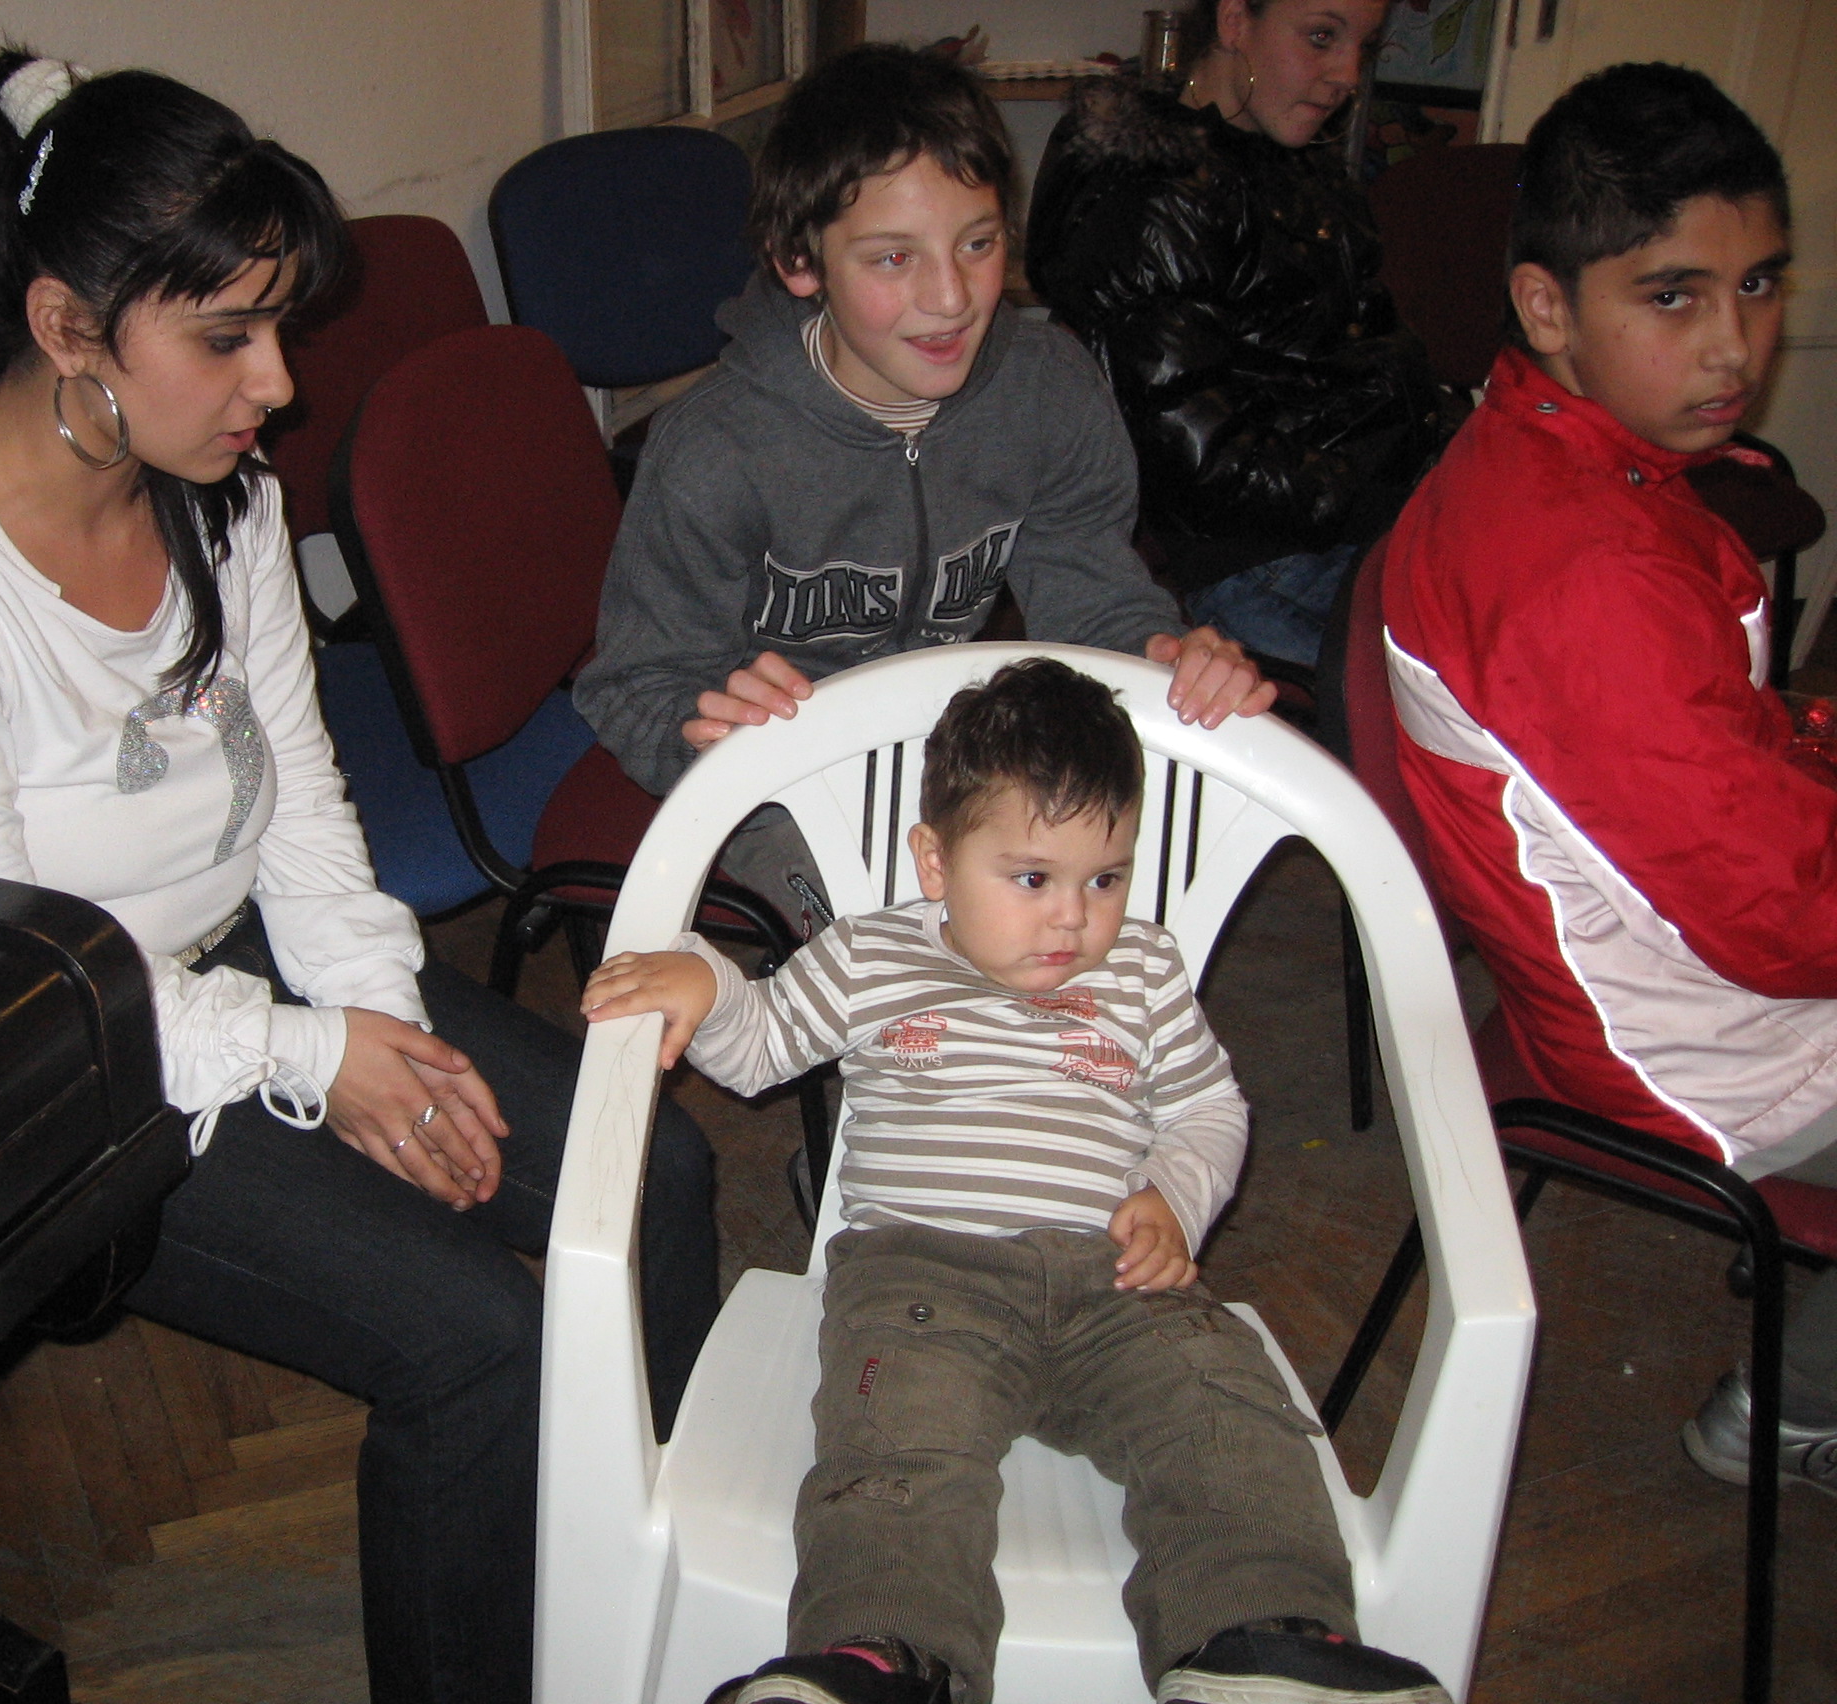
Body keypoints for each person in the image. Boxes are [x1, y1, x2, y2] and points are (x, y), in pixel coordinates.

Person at [0, 51, 720, 1703]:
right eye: (226, 338)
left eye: (276, 329)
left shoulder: (218, 499)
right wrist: (316, 1057)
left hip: (247, 980)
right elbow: (12, 1002)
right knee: (474, 1345)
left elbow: (296, 801)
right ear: (69, 325)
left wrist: (376, 1016)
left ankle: (654, 1563)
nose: (276, 383)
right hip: (47, 1081)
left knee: (658, 1165)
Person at [581, 659, 1453, 1704]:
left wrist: (1175, 1198)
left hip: (1116, 1280)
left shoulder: (1143, 970)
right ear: (935, 861)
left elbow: (1209, 1110)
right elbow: (763, 1043)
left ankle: (1261, 1639)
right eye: (1032, 879)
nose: (1072, 920)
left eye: (1106, 879)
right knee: (896, 1461)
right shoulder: (871, 958)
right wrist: (712, 982)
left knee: (1227, 1419)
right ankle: (880, 1659)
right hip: (921, 1278)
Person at [1380, 64, 1837, 1495]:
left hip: (1661, 955)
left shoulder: (1567, 456)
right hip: (1685, 1039)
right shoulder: (1586, 572)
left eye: (1756, 285)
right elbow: (1777, 918)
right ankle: (1793, 1410)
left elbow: (1710, 782)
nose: (1733, 345)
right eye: (1673, 297)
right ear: (1547, 308)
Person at [572, 44, 1273, 937]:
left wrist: (1165, 656)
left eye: (978, 244)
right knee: (928, 961)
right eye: (893, 258)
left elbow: (1092, 599)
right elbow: (635, 682)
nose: (950, 299)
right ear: (800, 261)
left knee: (1121, 911)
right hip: (780, 792)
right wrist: (703, 728)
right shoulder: (715, 450)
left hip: (964, 761)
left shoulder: (1048, 390)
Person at [1026, 0, 1449, 669]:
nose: (1347, 75)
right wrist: (1373, 492)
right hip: (1264, 560)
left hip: (1340, 519)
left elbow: (1371, 350)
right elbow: (1194, 453)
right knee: (1495, 662)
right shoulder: (1163, 195)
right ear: (1233, 21)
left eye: (1364, 48)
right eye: (1320, 37)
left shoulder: (1290, 160)